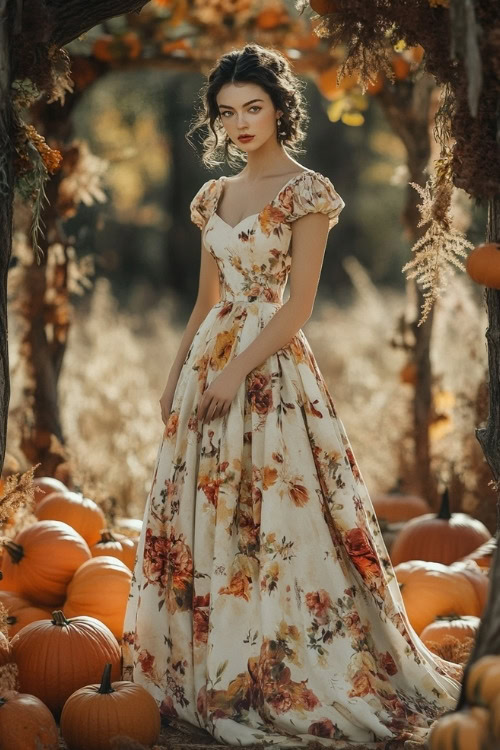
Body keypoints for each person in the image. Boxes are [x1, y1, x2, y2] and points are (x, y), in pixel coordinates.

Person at [122, 42, 461, 747]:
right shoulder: (212, 195)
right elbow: (202, 302)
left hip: (269, 371)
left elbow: (297, 307)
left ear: (280, 109)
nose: (241, 123)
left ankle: (278, 665)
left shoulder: (308, 192)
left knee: (272, 517)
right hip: (207, 369)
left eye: (253, 108)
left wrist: (235, 371)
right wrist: (176, 374)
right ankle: (207, 668)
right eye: (227, 113)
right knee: (205, 511)